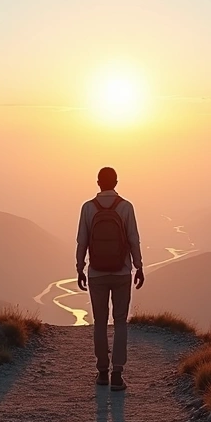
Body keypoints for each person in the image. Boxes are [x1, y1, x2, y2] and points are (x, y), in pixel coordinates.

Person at [76, 166, 144, 391]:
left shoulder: (87, 208)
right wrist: (138, 266)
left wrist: (80, 268)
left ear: (98, 182)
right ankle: (117, 374)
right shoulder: (125, 207)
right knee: (121, 321)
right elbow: (134, 239)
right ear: (116, 182)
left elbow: (82, 242)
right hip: (122, 272)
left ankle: (102, 372)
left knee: (100, 322)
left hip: (96, 273)